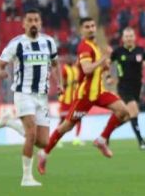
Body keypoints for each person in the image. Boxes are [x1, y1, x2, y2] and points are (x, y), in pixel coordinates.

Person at [38, 17, 132, 174]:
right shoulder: (84, 47)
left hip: (99, 92)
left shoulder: (94, 46)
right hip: (85, 95)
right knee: (67, 126)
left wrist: (106, 67)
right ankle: (44, 153)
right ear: (81, 30)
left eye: (93, 26)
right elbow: (87, 69)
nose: (91, 29)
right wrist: (103, 59)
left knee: (123, 111)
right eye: (87, 26)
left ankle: (102, 140)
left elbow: (98, 69)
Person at [0, 9, 61, 187]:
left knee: (43, 142)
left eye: (36, 20)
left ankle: (8, 122)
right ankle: (26, 177)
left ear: (41, 23)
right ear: (23, 24)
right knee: (31, 133)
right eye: (29, 20)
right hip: (23, 94)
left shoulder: (49, 42)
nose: (33, 23)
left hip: (41, 96)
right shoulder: (17, 44)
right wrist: (0, 73)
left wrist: (60, 83)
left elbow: (55, 64)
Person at [110, 27, 145, 150]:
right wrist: (109, 76)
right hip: (124, 86)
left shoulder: (141, 51)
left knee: (128, 116)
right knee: (134, 111)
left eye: (131, 36)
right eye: (126, 36)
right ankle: (141, 142)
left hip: (137, 87)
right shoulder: (118, 52)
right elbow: (108, 63)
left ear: (134, 37)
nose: (129, 38)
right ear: (123, 38)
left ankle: (106, 133)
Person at [58, 56, 83, 146]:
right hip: (66, 99)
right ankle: (58, 139)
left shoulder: (76, 69)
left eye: (71, 59)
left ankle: (77, 138)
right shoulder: (64, 69)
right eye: (68, 59)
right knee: (62, 120)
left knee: (78, 118)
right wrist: (70, 83)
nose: (70, 60)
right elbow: (62, 83)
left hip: (75, 99)